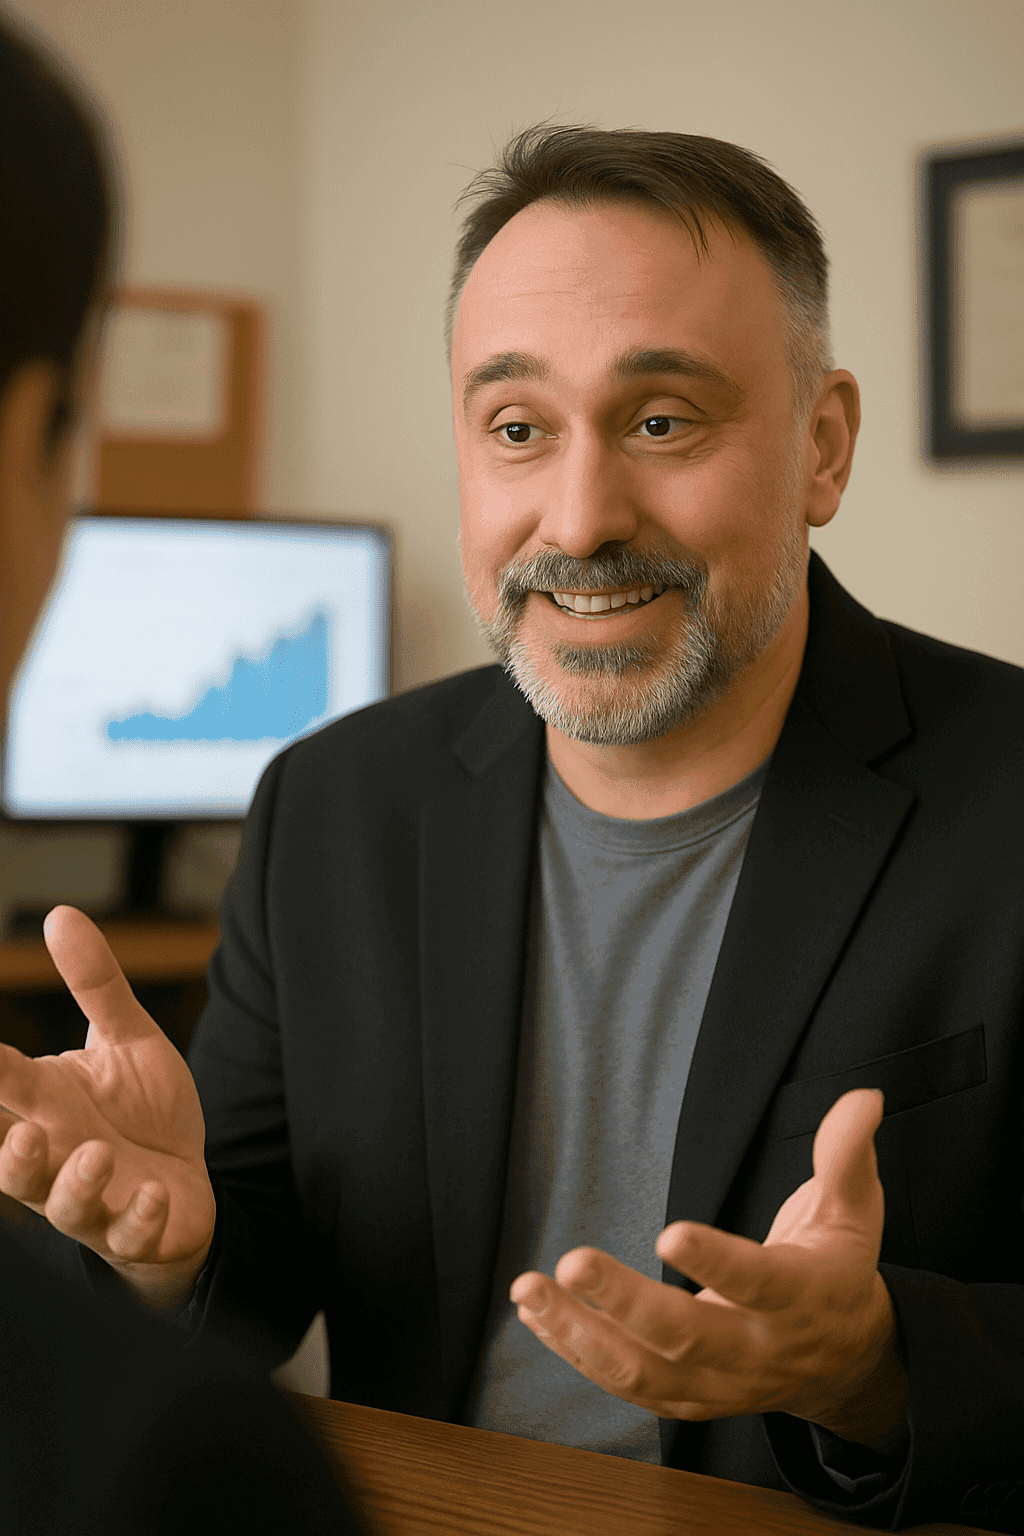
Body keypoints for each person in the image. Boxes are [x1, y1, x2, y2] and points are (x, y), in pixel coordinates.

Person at [2, 115, 1024, 1536]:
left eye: (663, 421)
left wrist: (871, 1367)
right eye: (518, 429)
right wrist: (172, 1248)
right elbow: (253, 1277)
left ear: (823, 447)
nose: (582, 515)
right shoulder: (334, 805)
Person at [0, 13, 363, 1533]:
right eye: (514, 425)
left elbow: (241, 1260)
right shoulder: (166, 1470)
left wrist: (167, 1253)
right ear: (40, 429)